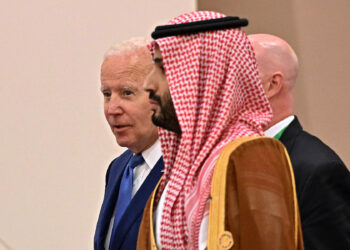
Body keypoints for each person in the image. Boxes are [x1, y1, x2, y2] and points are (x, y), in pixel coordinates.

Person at [139, 11, 304, 250]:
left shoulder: (250, 155)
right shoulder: (177, 172)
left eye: (164, 70)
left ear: (205, 78)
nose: (148, 84)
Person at [248, 33, 350, 250]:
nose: (223, 90)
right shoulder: (231, 157)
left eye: (237, 77)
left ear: (272, 85)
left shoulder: (317, 169)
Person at [94, 38, 163, 250]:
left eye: (127, 93)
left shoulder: (183, 170)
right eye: (107, 94)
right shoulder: (118, 168)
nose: (112, 109)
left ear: (160, 93)